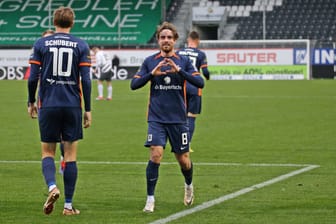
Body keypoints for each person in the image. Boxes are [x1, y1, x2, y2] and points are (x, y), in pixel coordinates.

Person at [130, 22, 204, 213]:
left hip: (178, 119)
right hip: (156, 118)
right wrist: (151, 74)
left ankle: (188, 185)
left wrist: (179, 71)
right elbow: (134, 84)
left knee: (183, 160)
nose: (166, 40)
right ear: (158, 40)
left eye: (169, 37)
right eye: (163, 37)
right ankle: (150, 199)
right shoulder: (150, 61)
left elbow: (200, 81)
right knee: (155, 155)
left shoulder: (184, 61)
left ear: (175, 40)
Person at [27, 6, 92, 216]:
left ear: (54, 22)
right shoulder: (80, 45)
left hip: (49, 104)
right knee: (70, 156)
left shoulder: (41, 43)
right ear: (72, 23)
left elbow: (32, 77)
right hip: (72, 104)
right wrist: (88, 109)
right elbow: (87, 80)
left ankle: (52, 187)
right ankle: (68, 206)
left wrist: (31, 101)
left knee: (47, 152)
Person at [177, 31, 210, 152]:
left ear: (188, 40)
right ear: (198, 41)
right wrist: (207, 77)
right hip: (195, 86)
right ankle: (187, 144)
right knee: (191, 117)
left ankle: (177, 141)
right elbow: (205, 72)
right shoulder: (200, 54)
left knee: (181, 116)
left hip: (181, 86)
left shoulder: (179, 52)